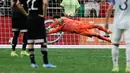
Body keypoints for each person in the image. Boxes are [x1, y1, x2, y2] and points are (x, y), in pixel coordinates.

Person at [26, 0, 56, 68]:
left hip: (29, 19)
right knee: (43, 41)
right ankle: (46, 63)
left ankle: (33, 63)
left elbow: (18, 4)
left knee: (30, 41)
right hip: (38, 18)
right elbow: (45, 3)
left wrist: (27, 14)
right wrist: (44, 15)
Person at [105, 0, 130, 72]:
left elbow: (110, 8)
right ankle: (128, 67)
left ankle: (115, 66)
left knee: (115, 44)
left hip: (117, 23)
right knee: (129, 44)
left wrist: (106, 22)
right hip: (128, 23)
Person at [46, 15, 112, 42]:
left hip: (81, 24)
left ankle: (107, 31)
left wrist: (49, 27)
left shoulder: (63, 19)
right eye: (54, 21)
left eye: (55, 20)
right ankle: (108, 40)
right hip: (80, 32)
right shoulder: (60, 28)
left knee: (96, 25)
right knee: (96, 35)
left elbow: (58, 21)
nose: (55, 22)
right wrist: (45, 32)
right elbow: (52, 31)